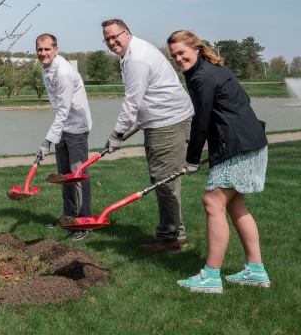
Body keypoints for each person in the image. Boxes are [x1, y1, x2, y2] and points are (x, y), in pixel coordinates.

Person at [167, 29, 270, 294]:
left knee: (212, 201)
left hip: (238, 145)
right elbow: (243, 99)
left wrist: (190, 160)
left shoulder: (202, 76)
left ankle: (211, 277)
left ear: (196, 48)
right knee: (235, 203)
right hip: (251, 141)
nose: (179, 59)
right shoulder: (212, 69)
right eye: (174, 55)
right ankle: (255, 270)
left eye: (182, 52)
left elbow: (201, 121)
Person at [102, 18, 194, 252]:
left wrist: (116, 133)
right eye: (107, 39)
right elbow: (145, 98)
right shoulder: (132, 53)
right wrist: (128, 130)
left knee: (164, 180)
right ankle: (171, 233)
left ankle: (171, 238)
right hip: (159, 121)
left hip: (168, 122)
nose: (112, 42)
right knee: (162, 179)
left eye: (115, 36)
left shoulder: (137, 58)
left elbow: (132, 102)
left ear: (127, 32)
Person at [34, 33, 94, 242]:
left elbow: (63, 110)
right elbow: (57, 108)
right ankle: (69, 216)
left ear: (56, 49)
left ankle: (85, 221)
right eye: (40, 50)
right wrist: (53, 136)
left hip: (76, 127)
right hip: (62, 127)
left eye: (47, 49)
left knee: (78, 176)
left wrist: (46, 141)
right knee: (64, 175)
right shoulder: (46, 69)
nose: (43, 53)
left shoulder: (64, 72)